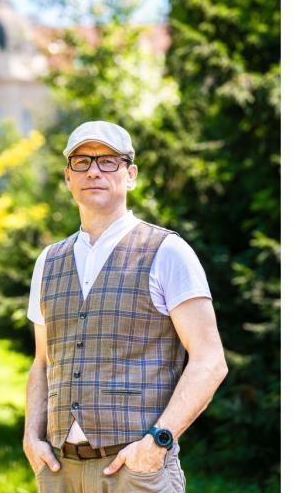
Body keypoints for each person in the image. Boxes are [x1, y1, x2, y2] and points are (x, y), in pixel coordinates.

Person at [23, 120, 228, 492]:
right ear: (68, 177)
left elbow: (210, 360)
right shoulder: (48, 261)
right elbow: (42, 362)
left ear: (130, 175)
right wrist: (31, 438)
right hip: (59, 471)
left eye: (108, 161)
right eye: (81, 162)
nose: (94, 171)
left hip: (136, 472)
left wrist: (158, 442)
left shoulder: (167, 251)